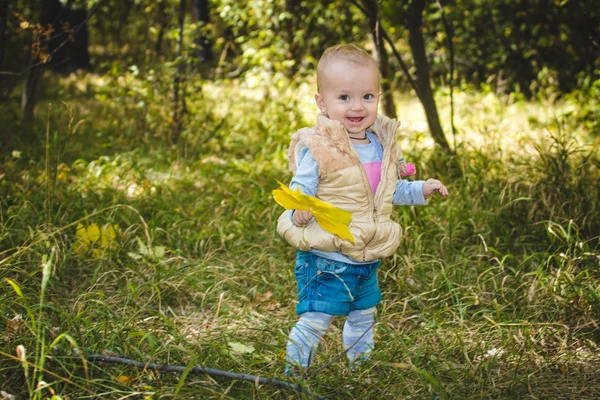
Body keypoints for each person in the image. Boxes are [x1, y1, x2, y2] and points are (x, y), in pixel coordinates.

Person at [277, 43, 449, 374]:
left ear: (378, 97)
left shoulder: (381, 146)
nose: (357, 106)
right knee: (316, 317)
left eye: (367, 96)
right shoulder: (321, 147)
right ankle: (294, 375)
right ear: (322, 103)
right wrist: (301, 206)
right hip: (328, 256)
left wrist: (420, 189)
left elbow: (389, 191)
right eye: (344, 98)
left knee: (364, 315)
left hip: (366, 254)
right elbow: (302, 184)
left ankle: (361, 370)